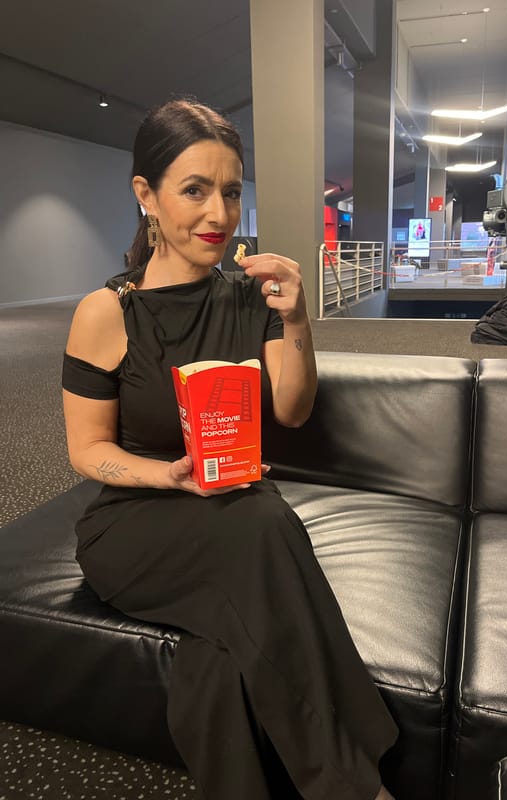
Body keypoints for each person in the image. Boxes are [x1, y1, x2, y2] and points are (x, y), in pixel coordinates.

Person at [62, 98, 398, 800]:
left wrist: (299, 316)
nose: (219, 214)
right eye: (194, 190)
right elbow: (88, 451)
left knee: (218, 655)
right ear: (146, 196)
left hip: (234, 506)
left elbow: (293, 410)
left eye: (232, 191)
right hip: (135, 520)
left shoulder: (251, 300)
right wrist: (167, 475)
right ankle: (357, 786)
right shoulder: (107, 312)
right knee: (266, 524)